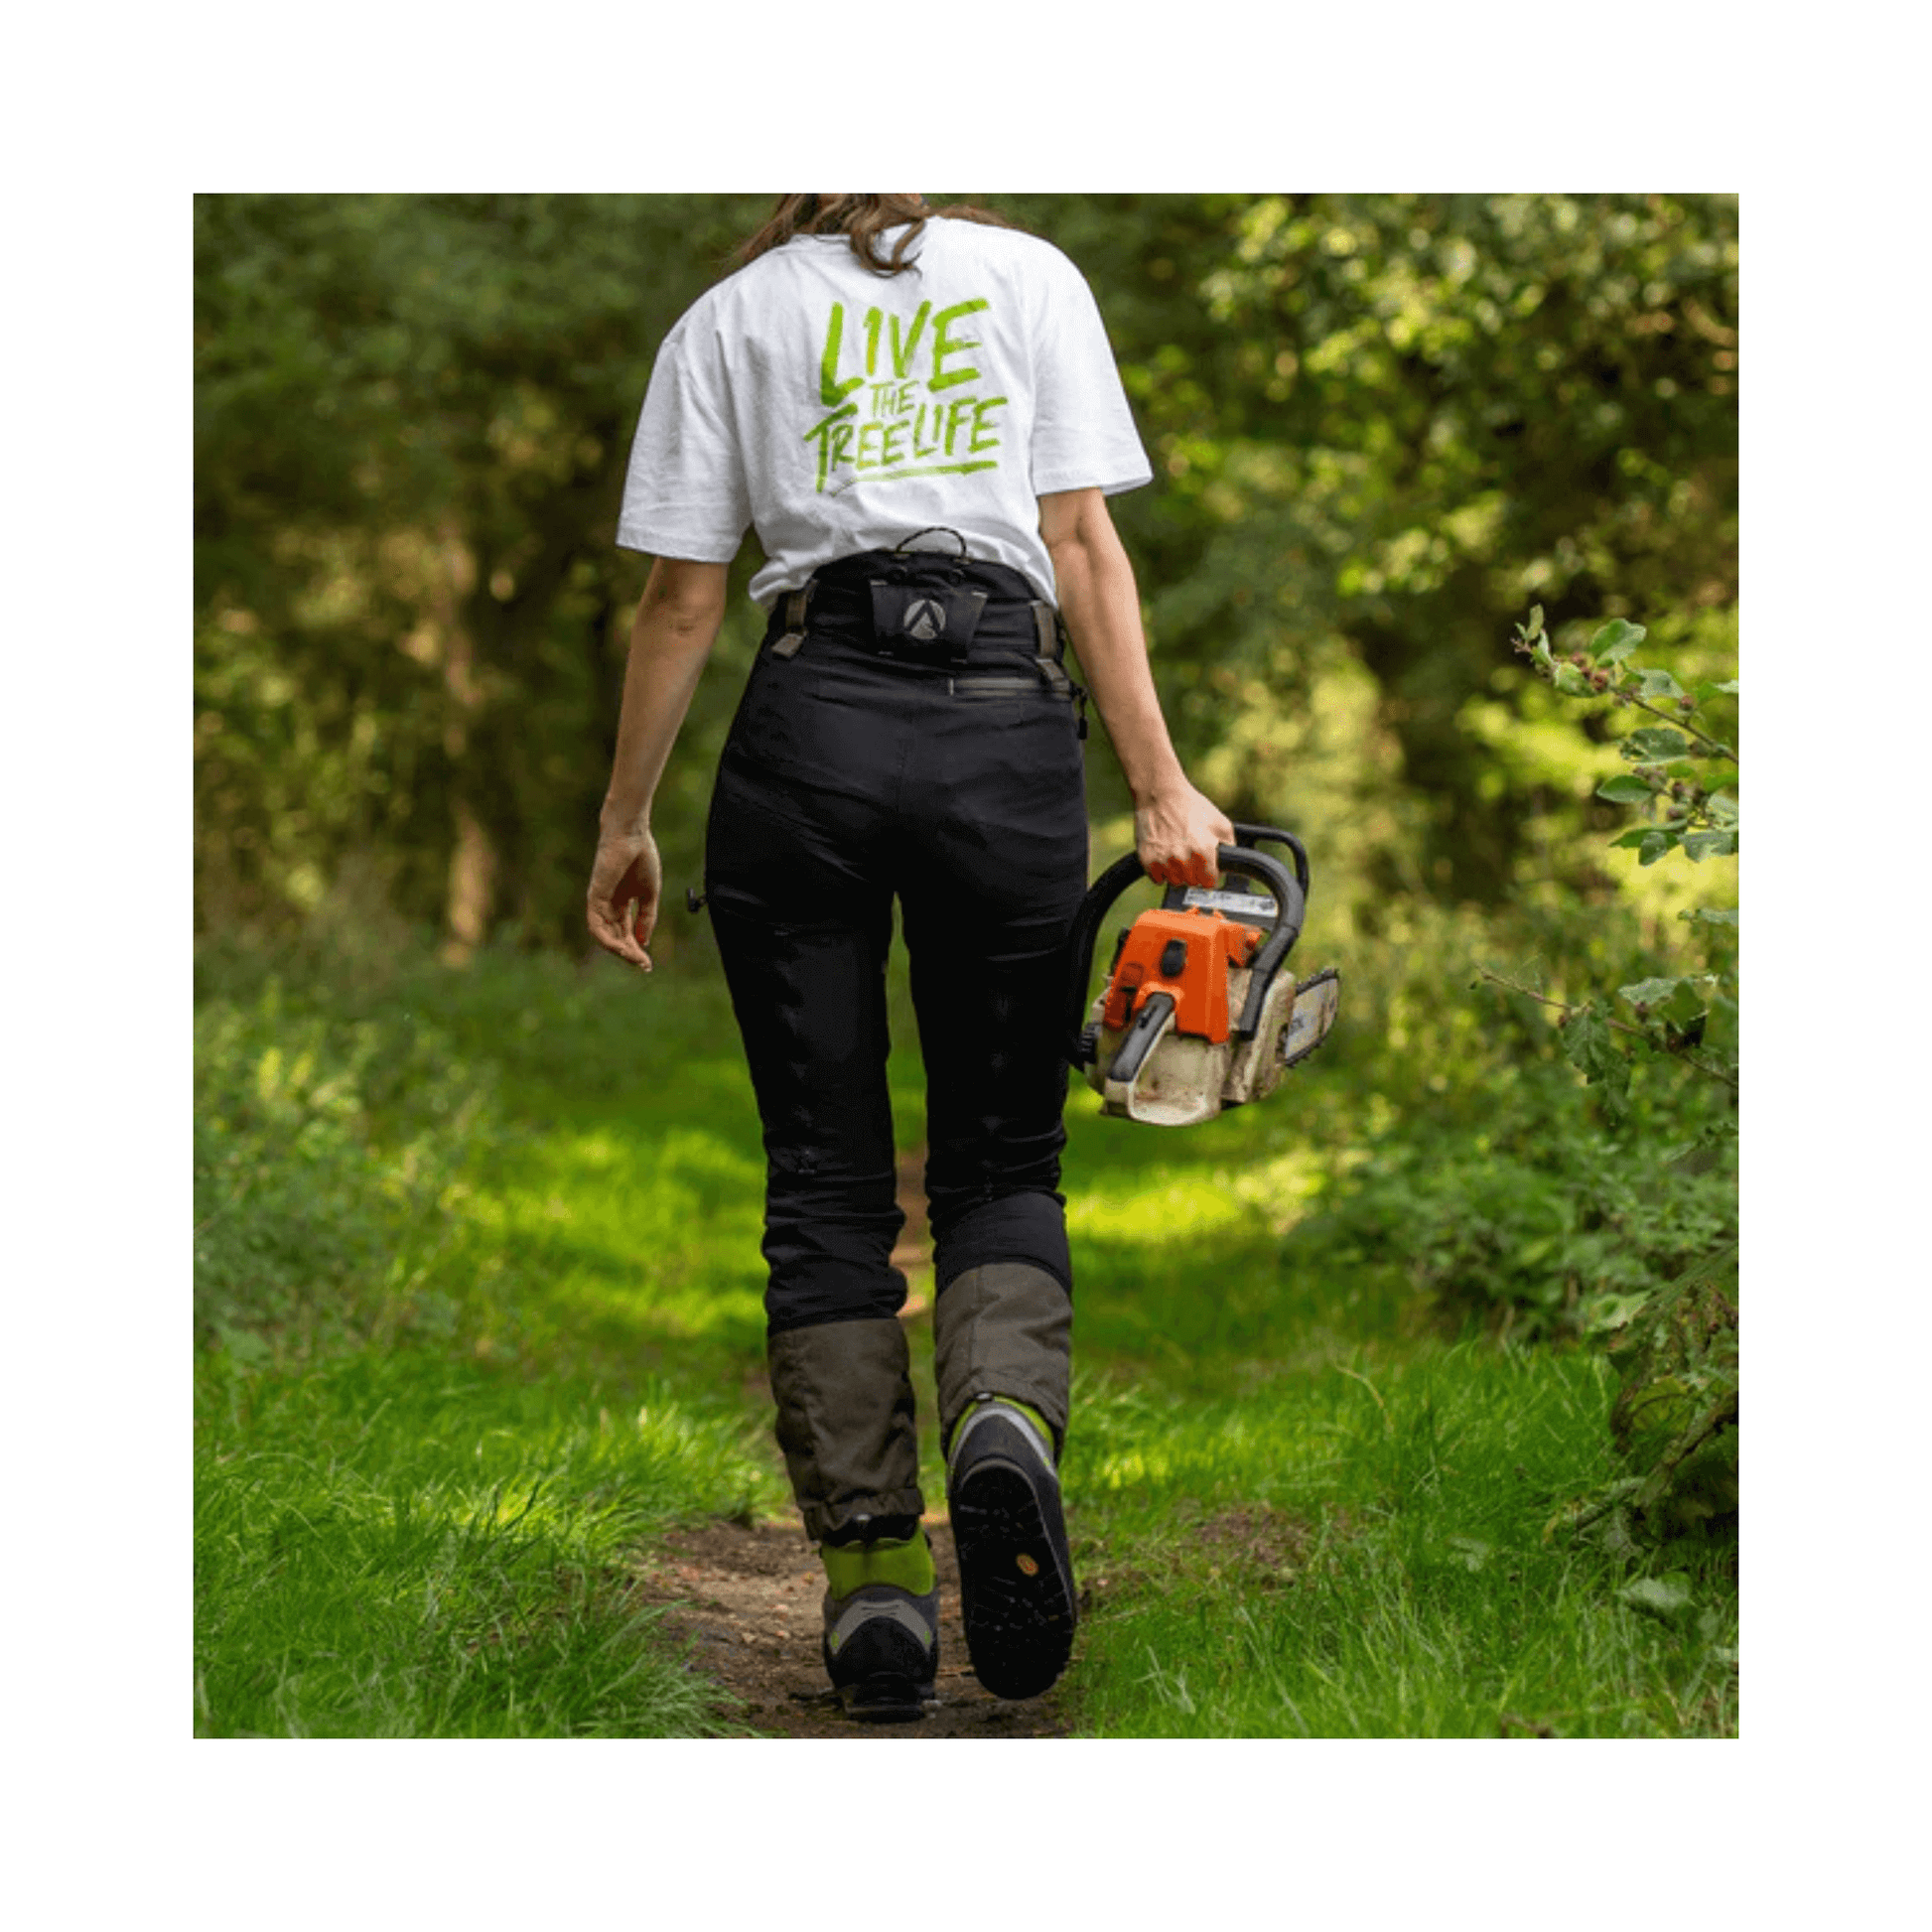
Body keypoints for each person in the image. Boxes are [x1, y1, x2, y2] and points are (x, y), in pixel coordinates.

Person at [587, 194, 1232, 1721]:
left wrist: (623, 819)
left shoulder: (727, 319)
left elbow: (681, 599)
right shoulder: (1030, 278)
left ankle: (872, 1577)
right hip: (1004, 726)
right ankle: (1002, 1423)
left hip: (808, 723)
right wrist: (1157, 786)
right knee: (1001, 1158)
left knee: (822, 1171)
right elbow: (1080, 545)